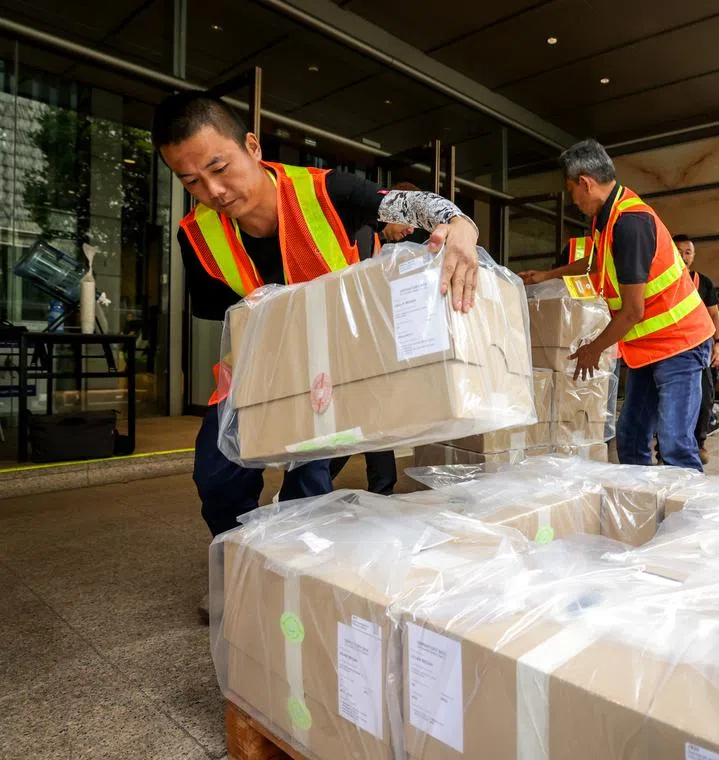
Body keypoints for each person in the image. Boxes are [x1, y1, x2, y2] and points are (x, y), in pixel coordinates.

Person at [155, 93, 479, 618]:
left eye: (219, 168)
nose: (212, 192)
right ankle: (236, 563)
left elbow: (410, 205)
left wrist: (460, 223)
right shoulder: (196, 234)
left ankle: (302, 577)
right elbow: (220, 314)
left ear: (252, 146)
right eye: (190, 181)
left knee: (309, 479)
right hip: (256, 369)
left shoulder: (325, 191)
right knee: (218, 477)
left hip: (335, 369)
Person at [519, 140, 714, 471]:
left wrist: (593, 349)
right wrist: (547, 275)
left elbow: (633, 311)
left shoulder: (630, 222)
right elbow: (595, 264)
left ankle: (688, 504)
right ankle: (640, 500)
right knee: (632, 438)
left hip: (680, 343)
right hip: (647, 347)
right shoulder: (605, 217)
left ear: (585, 182)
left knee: (675, 445)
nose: (573, 200)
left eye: (571, 190)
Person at [675, 233, 719, 464]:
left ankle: (699, 443)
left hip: (699, 350)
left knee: (704, 398)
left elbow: (714, 315)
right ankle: (666, 447)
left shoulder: (703, 282)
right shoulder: (660, 280)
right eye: (678, 251)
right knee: (672, 402)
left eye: (687, 252)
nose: (683, 256)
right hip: (670, 349)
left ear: (693, 256)